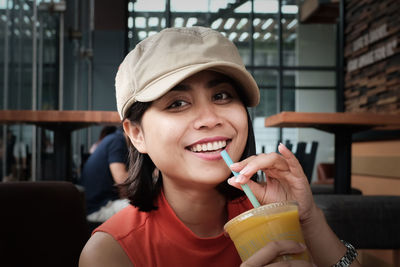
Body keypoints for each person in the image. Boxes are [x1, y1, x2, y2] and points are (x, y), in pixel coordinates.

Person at [79, 27, 361, 267]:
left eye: (222, 95)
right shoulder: (111, 251)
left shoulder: (275, 212)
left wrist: (309, 219)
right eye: (177, 103)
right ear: (137, 133)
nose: (210, 119)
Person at [79, 127, 130, 222]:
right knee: (146, 209)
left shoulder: (113, 139)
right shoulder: (117, 141)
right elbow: (121, 179)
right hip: (97, 209)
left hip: (98, 205)